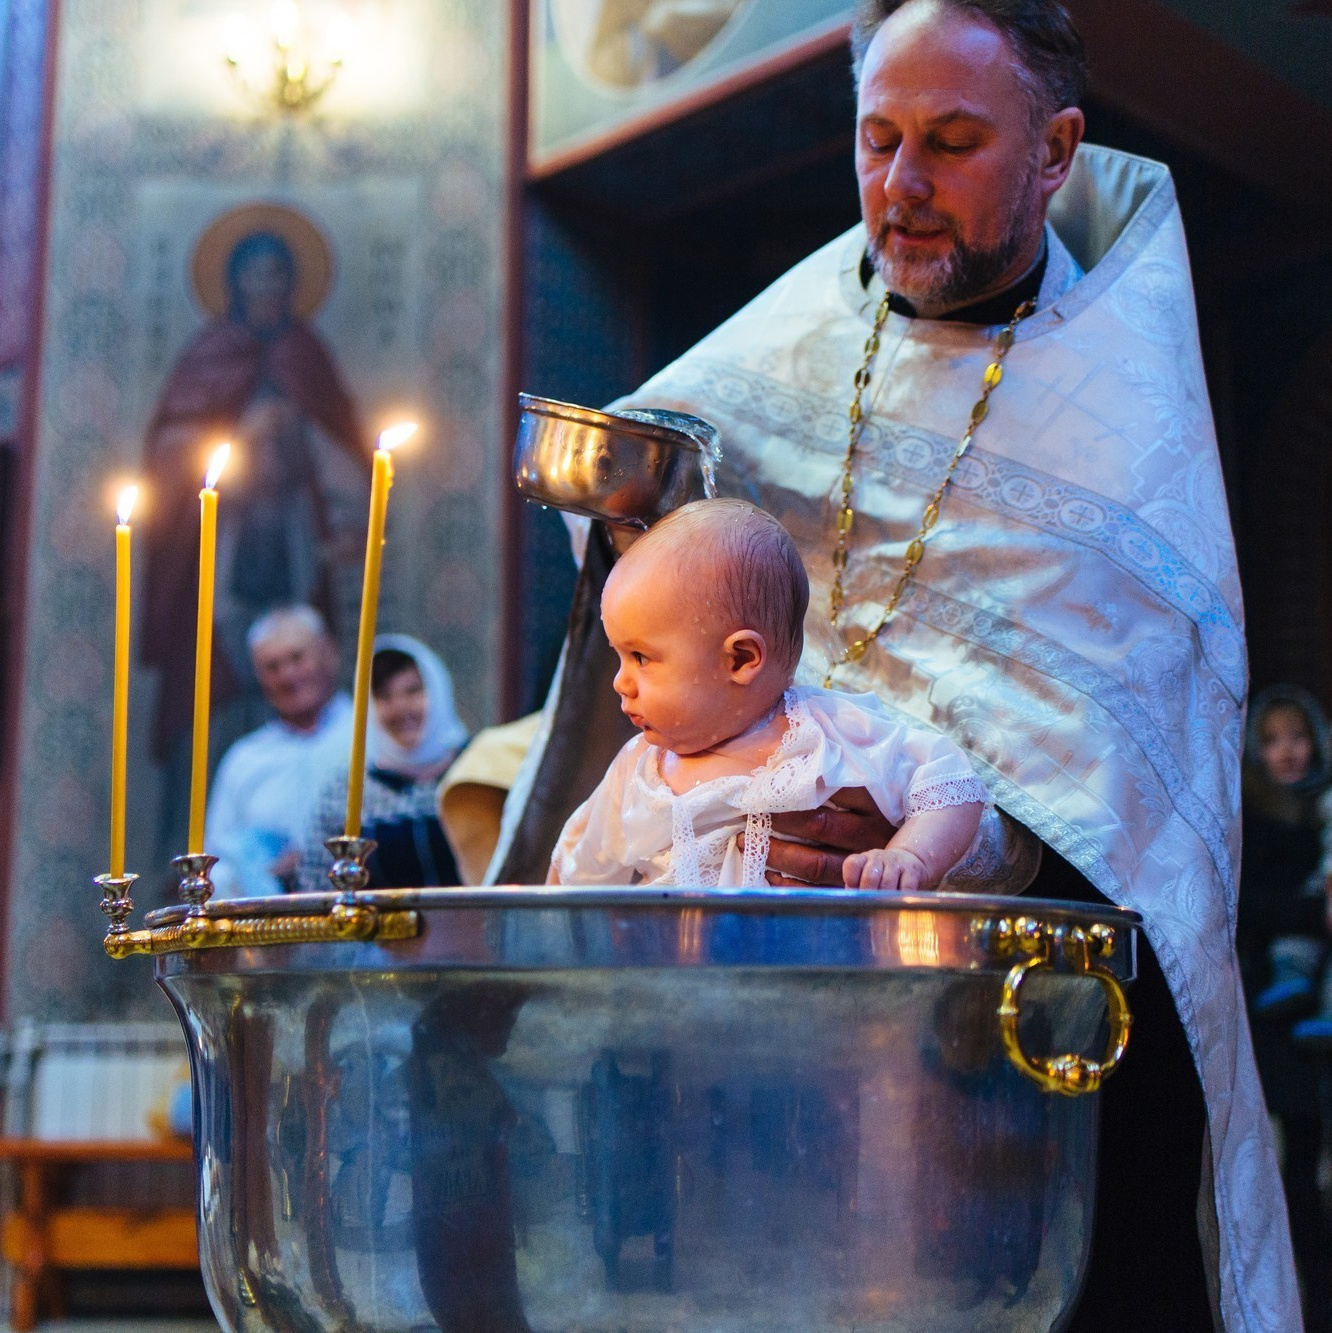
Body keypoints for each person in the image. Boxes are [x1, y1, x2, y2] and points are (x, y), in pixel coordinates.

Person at [495, 0, 1297, 1324]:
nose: (902, 186)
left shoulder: (1123, 426)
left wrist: (947, 842)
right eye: (876, 140)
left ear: (1056, 154)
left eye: (952, 141)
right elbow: (642, 618)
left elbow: (1140, 797)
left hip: (1005, 1061)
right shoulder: (777, 355)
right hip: (745, 1061)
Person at [550, 499, 986, 888]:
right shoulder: (640, 771)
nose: (620, 682)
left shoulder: (823, 735)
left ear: (740, 659)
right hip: (672, 966)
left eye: (641, 657)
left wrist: (909, 856)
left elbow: (951, 782)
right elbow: (576, 873)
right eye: (620, 657)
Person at [1237, 687, 1332, 1331]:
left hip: (1322, 1007)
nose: (1288, 752)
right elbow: (1252, 911)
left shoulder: (1324, 812)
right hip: (1275, 1015)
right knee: (1286, 1172)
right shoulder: (1252, 819)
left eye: (1297, 737)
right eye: (1272, 739)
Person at [296, 634, 468, 892]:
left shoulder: (477, 772)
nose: (401, 707)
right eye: (384, 696)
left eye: (413, 691)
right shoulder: (345, 792)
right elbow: (316, 889)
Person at [206, 605, 352, 897]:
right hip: (273, 929)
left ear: (328, 653)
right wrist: (258, 871)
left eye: (297, 658)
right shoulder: (244, 760)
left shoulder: (370, 736)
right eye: (272, 667)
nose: (287, 675)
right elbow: (216, 865)